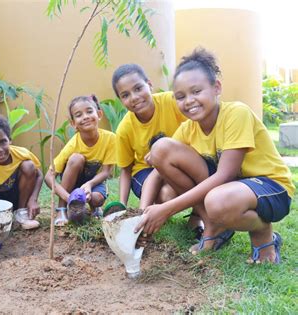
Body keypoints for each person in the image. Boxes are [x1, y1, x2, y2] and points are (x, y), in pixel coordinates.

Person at [135, 48, 294, 264]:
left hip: (270, 188)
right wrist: (143, 213)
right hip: (232, 189)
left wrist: (165, 210)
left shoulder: (236, 113)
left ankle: (263, 234)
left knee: (217, 200)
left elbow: (225, 175)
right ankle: (214, 227)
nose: (189, 101)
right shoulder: (188, 128)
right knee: (160, 149)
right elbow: (156, 170)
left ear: (216, 87)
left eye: (196, 91)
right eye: (180, 97)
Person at [112, 64, 203, 235]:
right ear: (121, 100)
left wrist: (162, 153)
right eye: (125, 95)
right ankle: (149, 213)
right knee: (166, 195)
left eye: (138, 88)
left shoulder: (171, 102)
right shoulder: (125, 129)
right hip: (144, 171)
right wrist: (122, 206)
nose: (134, 97)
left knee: (174, 189)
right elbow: (125, 170)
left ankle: (197, 216)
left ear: (150, 84)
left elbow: (196, 130)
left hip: (176, 162)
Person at [44, 95, 116, 225]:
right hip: (73, 182)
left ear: (99, 114)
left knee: (98, 199)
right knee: (76, 159)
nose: (85, 117)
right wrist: (67, 197)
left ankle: (92, 206)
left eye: (89, 111)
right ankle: (62, 208)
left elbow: (106, 172)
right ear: (73, 123)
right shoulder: (73, 145)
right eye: (78, 115)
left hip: (94, 182)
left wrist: (89, 185)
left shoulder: (110, 139)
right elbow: (49, 177)